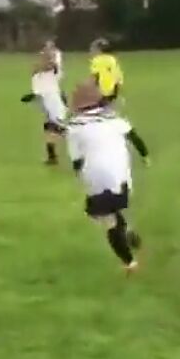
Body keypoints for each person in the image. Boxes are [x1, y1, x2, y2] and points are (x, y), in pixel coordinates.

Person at [66, 82, 150, 275]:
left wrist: (81, 177)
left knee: (106, 218)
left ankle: (130, 263)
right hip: (122, 176)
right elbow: (135, 138)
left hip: (96, 177)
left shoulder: (74, 127)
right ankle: (126, 231)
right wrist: (145, 156)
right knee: (112, 208)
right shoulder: (115, 119)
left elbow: (77, 160)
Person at [21, 41, 67, 165]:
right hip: (48, 97)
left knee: (51, 125)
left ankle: (52, 156)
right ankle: (79, 145)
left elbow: (48, 68)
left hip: (45, 97)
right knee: (59, 125)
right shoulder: (48, 67)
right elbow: (47, 67)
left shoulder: (47, 67)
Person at [89, 38, 124, 107]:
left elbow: (95, 76)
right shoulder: (112, 59)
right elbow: (118, 76)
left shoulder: (97, 60)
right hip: (113, 91)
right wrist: (117, 89)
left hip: (101, 92)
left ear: (98, 50)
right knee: (109, 109)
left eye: (93, 49)